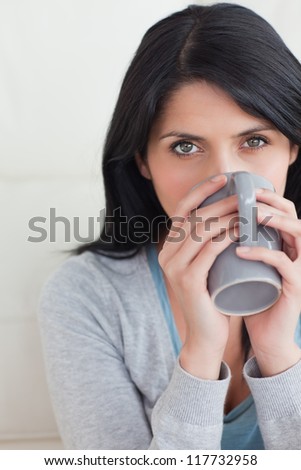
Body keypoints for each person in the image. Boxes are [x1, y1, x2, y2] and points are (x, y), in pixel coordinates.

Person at [38, 3, 301, 450]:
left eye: (255, 141)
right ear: (143, 160)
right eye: (185, 147)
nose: (224, 177)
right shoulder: (87, 296)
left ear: (293, 147)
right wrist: (199, 355)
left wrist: (278, 357)